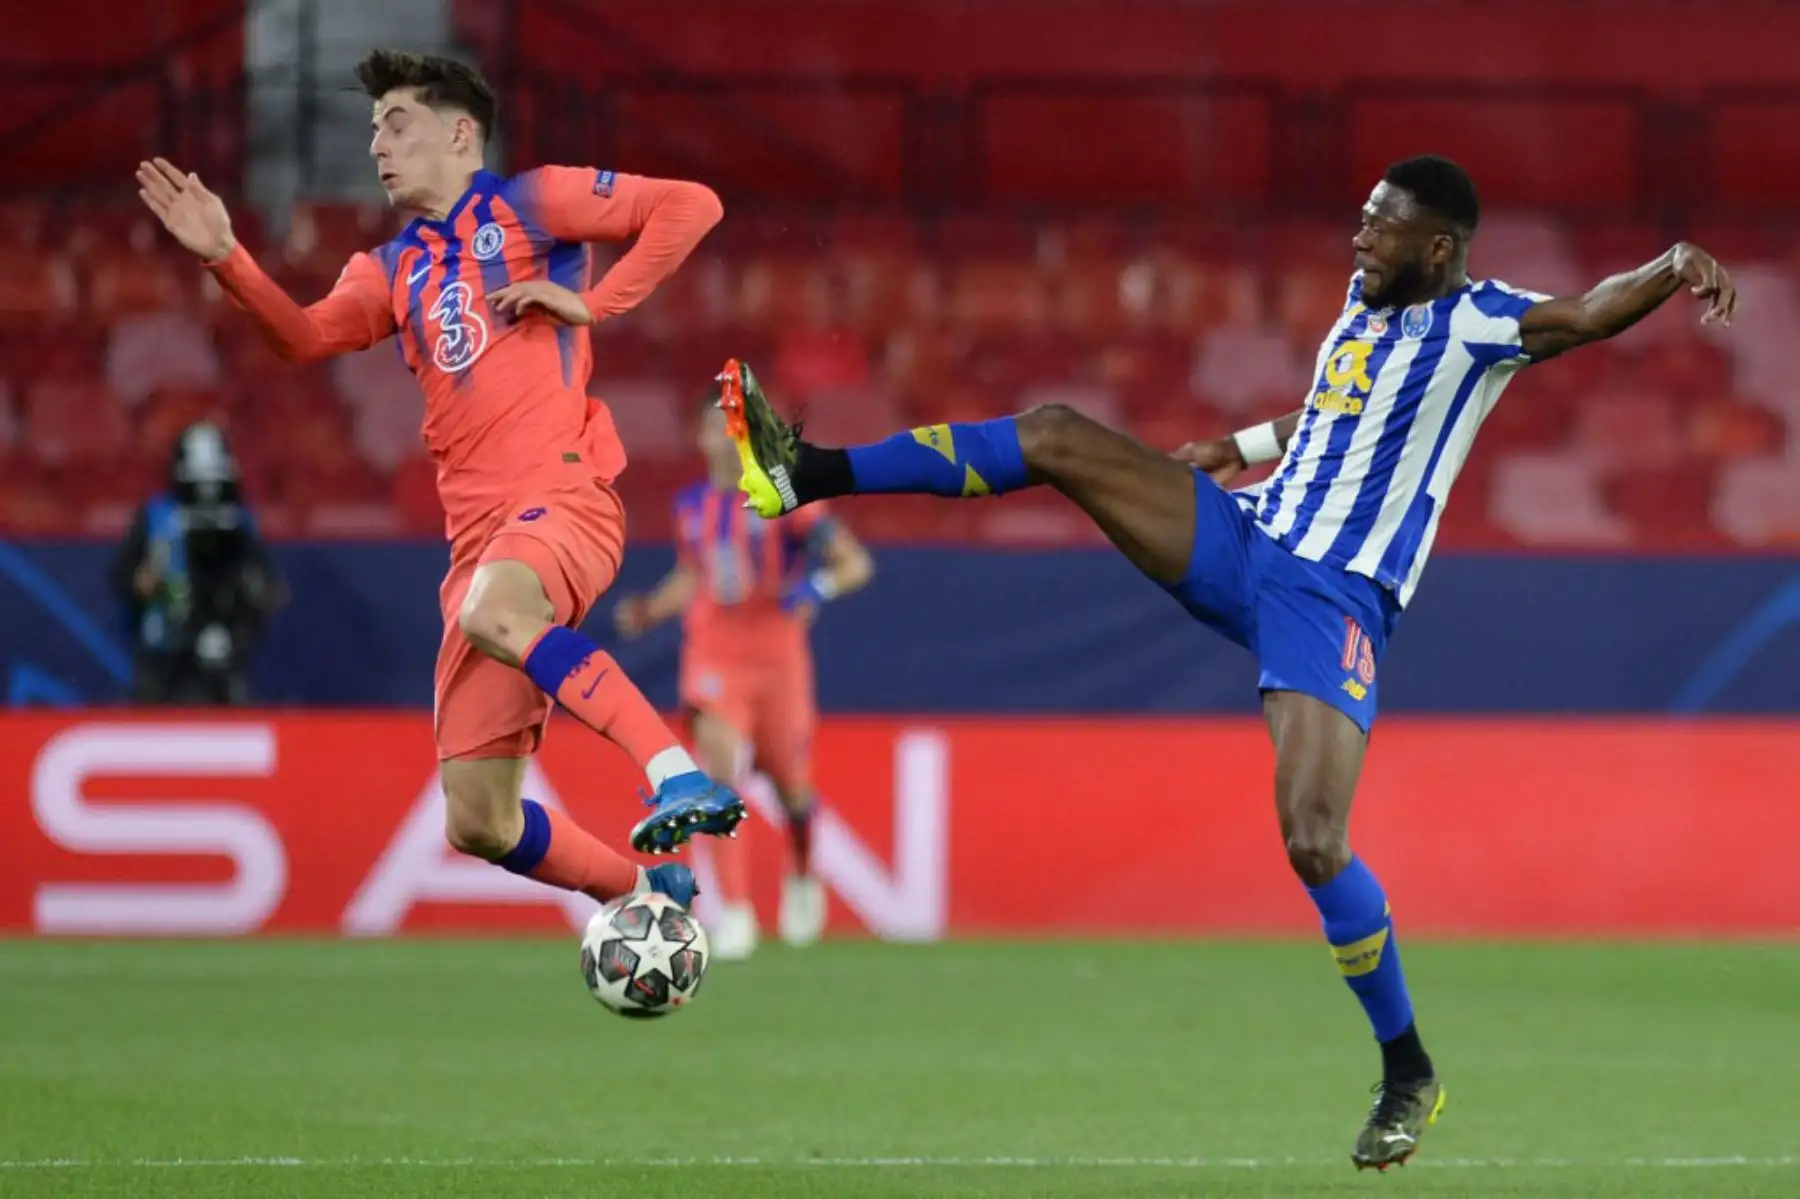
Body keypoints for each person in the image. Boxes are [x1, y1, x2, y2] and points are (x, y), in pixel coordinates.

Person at [718, 155, 1738, 1169]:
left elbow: (1588, 313)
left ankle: (1407, 1068)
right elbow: (1338, 415)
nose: (1360, 236)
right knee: (1057, 434)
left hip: (1332, 595)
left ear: (1436, 246)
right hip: (1249, 536)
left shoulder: (1479, 326)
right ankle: (806, 471)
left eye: (1382, 225)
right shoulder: (1365, 302)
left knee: (1313, 836)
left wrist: (1672, 264)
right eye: (1362, 216)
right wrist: (1235, 444)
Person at [134, 49, 745, 917]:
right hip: (479, 546)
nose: (378, 145)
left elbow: (692, 205)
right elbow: (304, 339)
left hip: (564, 500)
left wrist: (595, 303)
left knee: (495, 612)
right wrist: (228, 255)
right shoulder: (387, 269)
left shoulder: (532, 203)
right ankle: (649, 887)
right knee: (479, 819)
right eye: (373, 127)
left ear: (460, 133)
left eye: (397, 124)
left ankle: (675, 772)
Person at [613, 397, 874, 959]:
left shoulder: (789, 505)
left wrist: (816, 588)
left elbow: (855, 564)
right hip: (714, 655)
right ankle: (734, 911)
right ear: (703, 439)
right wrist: (652, 611)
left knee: (791, 788)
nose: (724, 440)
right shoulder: (691, 508)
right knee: (717, 774)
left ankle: (802, 873)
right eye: (714, 428)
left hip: (778, 658)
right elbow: (693, 574)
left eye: (734, 430)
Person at [112, 421, 283, 705]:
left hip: (224, 650)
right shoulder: (156, 516)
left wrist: (248, 599)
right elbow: (124, 577)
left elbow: (262, 580)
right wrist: (151, 584)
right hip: (163, 652)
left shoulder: (239, 520)